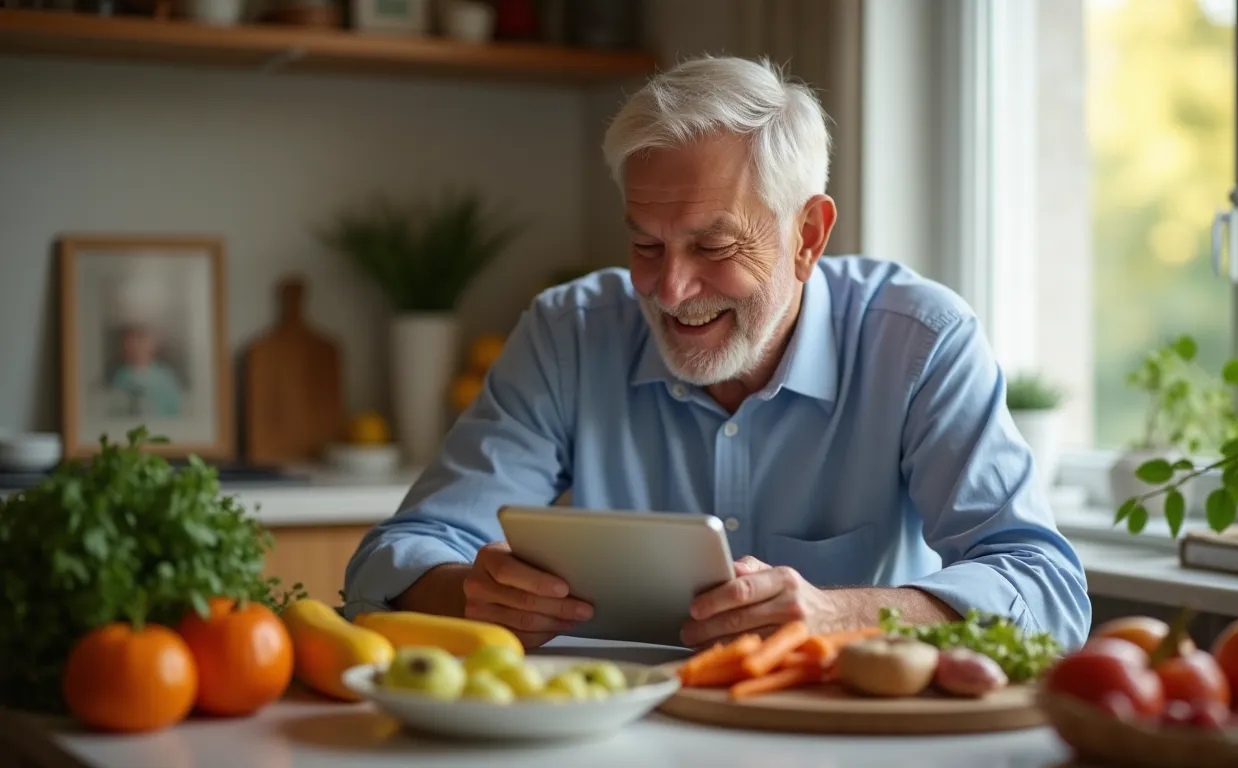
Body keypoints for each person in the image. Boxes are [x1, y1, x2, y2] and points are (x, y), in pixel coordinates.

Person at [343, 55, 1091, 652]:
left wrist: (841, 614)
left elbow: (1046, 588)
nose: (670, 290)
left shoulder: (919, 341)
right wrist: (467, 594)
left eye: (714, 246)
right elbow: (398, 553)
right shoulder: (568, 332)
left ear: (807, 237)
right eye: (646, 245)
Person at [107, 323, 183, 418]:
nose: (135, 345)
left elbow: (175, 412)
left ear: (152, 345)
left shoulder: (165, 377)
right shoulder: (120, 377)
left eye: (140, 340)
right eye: (130, 340)